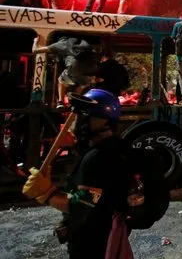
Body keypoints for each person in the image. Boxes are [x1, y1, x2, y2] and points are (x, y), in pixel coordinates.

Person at [22, 89, 131, 258]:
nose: (78, 122)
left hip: (93, 242)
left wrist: (47, 193)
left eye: (84, 116)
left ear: (103, 121)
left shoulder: (100, 158)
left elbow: (82, 205)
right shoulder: (110, 149)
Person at [32, 36, 99, 108]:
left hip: (75, 69)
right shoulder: (81, 44)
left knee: (61, 81)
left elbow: (35, 50)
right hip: (91, 72)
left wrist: (35, 41)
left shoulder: (61, 44)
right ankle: (75, 103)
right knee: (81, 84)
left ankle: (60, 103)